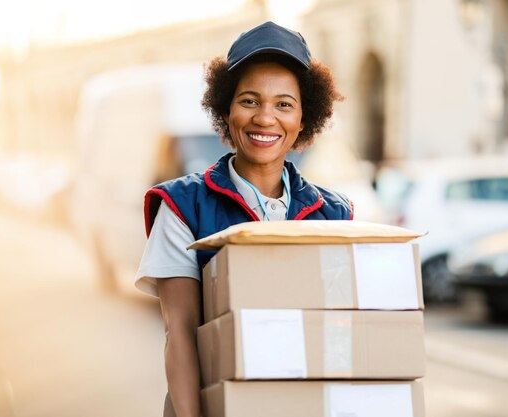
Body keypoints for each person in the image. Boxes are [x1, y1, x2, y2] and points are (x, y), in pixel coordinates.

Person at [134, 21, 353, 417]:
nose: (265, 118)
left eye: (284, 104)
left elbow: (341, 335)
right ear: (226, 109)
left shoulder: (334, 214)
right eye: (249, 100)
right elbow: (180, 334)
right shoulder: (184, 205)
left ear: (304, 119)